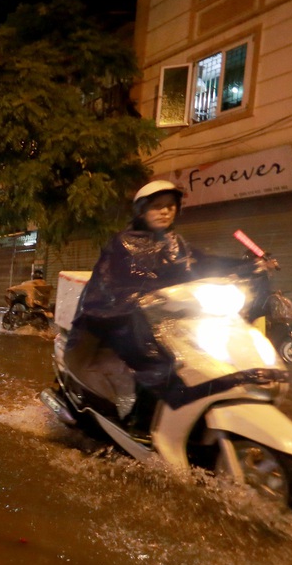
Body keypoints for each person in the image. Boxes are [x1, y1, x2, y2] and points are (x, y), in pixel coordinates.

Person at [67, 179, 269, 431]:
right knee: (160, 361)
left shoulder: (177, 243)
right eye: (157, 206)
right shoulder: (122, 244)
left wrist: (249, 266)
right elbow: (108, 286)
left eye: (170, 207)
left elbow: (205, 262)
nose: (165, 211)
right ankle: (140, 422)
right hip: (121, 318)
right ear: (141, 211)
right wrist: (136, 299)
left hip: (168, 318)